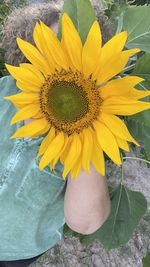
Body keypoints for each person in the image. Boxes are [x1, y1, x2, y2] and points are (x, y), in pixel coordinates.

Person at [0, 3, 111, 267]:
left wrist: (86, 123)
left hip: (19, 249)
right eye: (50, 52)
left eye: (71, 54)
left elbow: (85, 221)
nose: (58, 64)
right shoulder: (5, 93)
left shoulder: (89, 133)